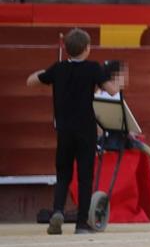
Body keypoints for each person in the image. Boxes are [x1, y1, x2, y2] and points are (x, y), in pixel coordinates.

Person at [26, 28, 121, 235]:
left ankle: (58, 210)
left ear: (65, 49)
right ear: (87, 49)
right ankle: (81, 224)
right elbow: (113, 90)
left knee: (63, 175)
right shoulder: (93, 68)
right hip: (85, 130)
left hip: (64, 130)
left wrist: (46, 72)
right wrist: (107, 81)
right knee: (85, 177)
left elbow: (31, 80)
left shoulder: (58, 69)